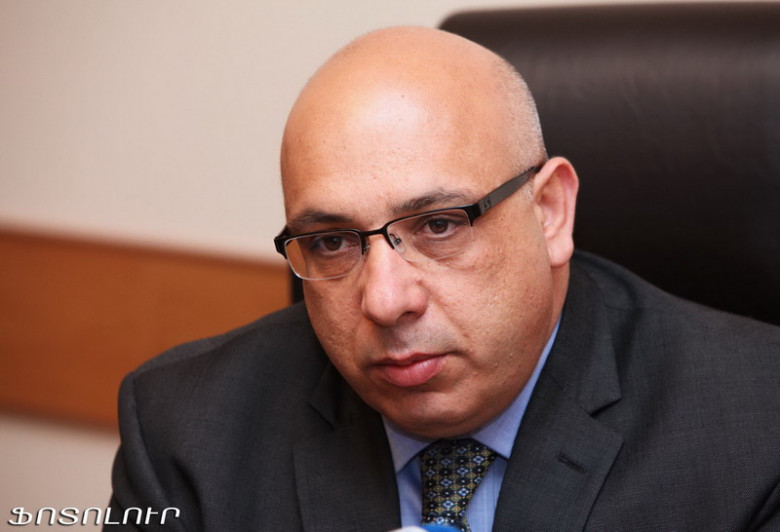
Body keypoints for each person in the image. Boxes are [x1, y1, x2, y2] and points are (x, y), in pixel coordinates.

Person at [106, 27, 780, 531]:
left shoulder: (759, 428)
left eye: (438, 225)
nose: (385, 301)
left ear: (549, 212)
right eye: (332, 241)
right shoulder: (185, 429)